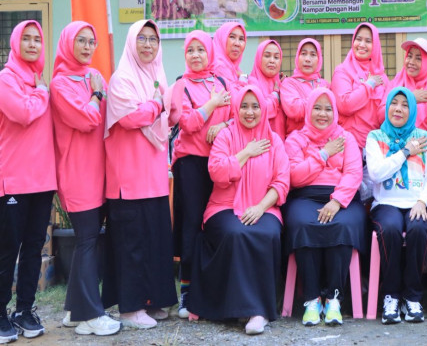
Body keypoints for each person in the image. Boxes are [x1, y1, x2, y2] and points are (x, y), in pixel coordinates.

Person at [187, 85, 289, 335]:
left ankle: (259, 312)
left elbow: (281, 182)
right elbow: (217, 172)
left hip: (264, 206)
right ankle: (238, 308)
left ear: (263, 109)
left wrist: (260, 207)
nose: (249, 112)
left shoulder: (274, 140)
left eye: (255, 106)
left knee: (267, 233)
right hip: (224, 206)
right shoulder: (226, 136)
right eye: (244, 106)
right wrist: (246, 152)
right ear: (236, 109)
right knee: (236, 233)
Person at [102, 20, 177, 329]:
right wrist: (159, 103)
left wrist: (165, 106)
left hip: (154, 177)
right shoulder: (121, 78)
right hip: (128, 179)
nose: (148, 45)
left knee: (155, 241)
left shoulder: (158, 76)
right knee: (131, 244)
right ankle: (130, 309)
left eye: (153, 39)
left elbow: (169, 115)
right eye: (142, 39)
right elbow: (132, 118)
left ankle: (152, 301)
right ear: (132, 42)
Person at [50, 22, 119, 336]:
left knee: (88, 241)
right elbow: (87, 118)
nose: (88, 47)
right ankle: (91, 314)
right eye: (81, 41)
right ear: (68, 43)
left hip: (100, 171)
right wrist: (95, 93)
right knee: (88, 240)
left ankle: (74, 311)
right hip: (77, 173)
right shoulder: (61, 84)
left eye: (92, 42)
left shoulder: (94, 75)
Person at [283, 88, 365, 326]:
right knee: (303, 223)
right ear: (308, 110)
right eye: (317, 108)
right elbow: (294, 176)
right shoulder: (296, 139)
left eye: (328, 109)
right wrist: (323, 154)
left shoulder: (346, 138)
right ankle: (311, 300)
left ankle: (333, 299)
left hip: (342, 198)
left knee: (342, 225)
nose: (322, 114)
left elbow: (353, 173)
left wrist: (337, 201)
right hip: (304, 196)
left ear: (335, 112)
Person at [0, 20, 56, 342]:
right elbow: (22, 113)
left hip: (42, 180)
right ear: (16, 43)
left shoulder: (39, 80)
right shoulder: (6, 79)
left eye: (38, 39)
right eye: (27, 39)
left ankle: (24, 310)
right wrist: (42, 92)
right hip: (14, 180)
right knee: (7, 249)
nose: (33, 44)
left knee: (34, 247)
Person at [170, 30, 232, 319]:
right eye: (190, 50)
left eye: (201, 50)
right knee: (192, 224)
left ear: (210, 52)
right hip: (191, 164)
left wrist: (223, 126)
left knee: (217, 222)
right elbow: (188, 123)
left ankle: (213, 287)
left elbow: (236, 116)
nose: (195, 55)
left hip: (219, 161)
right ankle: (187, 291)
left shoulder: (221, 82)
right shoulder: (180, 86)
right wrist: (212, 105)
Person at [366, 87, 427, 324]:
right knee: (389, 229)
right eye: (394, 103)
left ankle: (412, 296)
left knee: (418, 228)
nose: (398, 109)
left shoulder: (425, 138)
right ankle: (391, 295)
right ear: (387, 107)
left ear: (413, 109)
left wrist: (422, 201)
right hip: (387, 202)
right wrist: (406, 151)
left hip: (419, 202)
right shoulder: (375, 137)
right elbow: (376, 173)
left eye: (405, 104)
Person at [331, 22, 388, 149]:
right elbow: (345, 104)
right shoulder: (343, 71)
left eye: (368, 41)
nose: (362, 45)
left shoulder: (381, 76)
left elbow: (384, 114)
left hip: (375, 146)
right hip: (347, 145)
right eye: (358, 39)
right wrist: (369, 85)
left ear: (375, 45)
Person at [382, 38, 427, 142]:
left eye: (418, 58)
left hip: (420, 148)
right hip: (391, 145)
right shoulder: (396, 82)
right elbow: (380, 115)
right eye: (409, 56)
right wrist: (411, 98)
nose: (411, 62)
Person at [281, 38, 329, 135]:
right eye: (303, 54)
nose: (307, 59)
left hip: (323, 139)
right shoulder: (289, 83)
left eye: (313, 55)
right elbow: (295, 110)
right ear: (297, 57)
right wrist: (316, 97)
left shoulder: (325, 84)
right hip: (297, 140)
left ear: (319, 59)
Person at [248, 39, 286, 139]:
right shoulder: (251, 83)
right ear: (259, 58)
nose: (272, 60)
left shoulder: (282, 84)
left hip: (281, 143)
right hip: (259, 143)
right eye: (267, 56)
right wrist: (275, 95)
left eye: (276, 57)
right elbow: (259, 111)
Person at [211, 21, 247, 88]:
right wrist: (243, 76)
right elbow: (239, 93)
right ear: (221, 39)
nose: (237, 43)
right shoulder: (219, 66)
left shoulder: (233, 67)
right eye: (232, 37)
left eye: (241, 39)